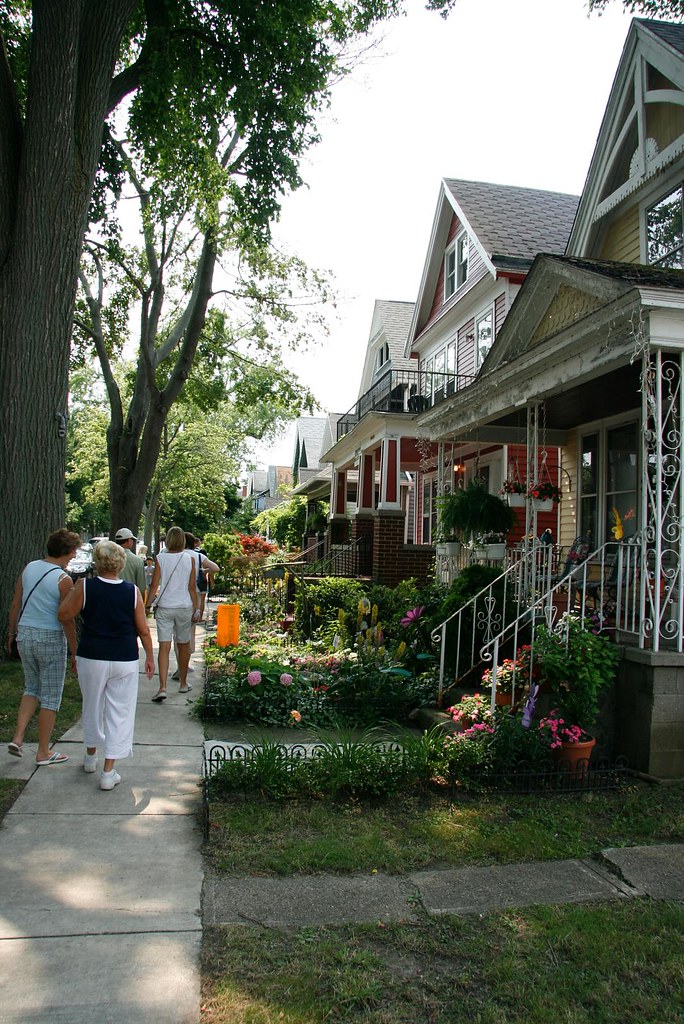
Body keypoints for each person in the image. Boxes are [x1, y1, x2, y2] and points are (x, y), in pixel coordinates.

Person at [58, 540, 155, 790]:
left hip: (91, 655)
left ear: (97, 563)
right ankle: (108, 771)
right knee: (120, 712)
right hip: (124, 656)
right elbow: (143, 629)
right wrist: (150, 657)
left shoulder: (85, 587)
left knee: (92, 705)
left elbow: (64, 614)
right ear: (121, 564)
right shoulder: (132, 591)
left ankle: (90, 756)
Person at [6, 529, 81, 765]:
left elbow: (16, 603)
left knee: (31, 687)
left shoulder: (30, 568)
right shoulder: (63, 579)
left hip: (25, 633)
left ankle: (18, 738)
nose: (74, 556)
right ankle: (43, 752)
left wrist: (11, 633)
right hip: (49, 637)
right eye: (73, 552)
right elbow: (66, 617)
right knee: (50, 696)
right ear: (67, 551)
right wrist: (74, 649)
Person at [145, 525, 199, 701]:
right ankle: (183, 683)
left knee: (164, 646)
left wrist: (147, 604)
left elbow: (154, 585)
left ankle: (162, 687)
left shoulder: (160, 558)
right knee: (183, 644)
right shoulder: (189, 559)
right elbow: (192, 587)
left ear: (168, 540)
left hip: (165, 606)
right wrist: (197, 608)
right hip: (184, 606)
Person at [170, 532, 219, 681]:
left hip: (178, 595)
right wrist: (203, 571)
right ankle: (186, 664)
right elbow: (216, 568)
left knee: (176, 633)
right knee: (189, 631)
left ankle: (180, 665)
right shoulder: (198, 556)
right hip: (195, 596)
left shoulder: (173, 555)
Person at [115, 527, 147, 601]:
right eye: (132, 540)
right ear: (129, 541)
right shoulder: (137, 560)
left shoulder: (107, 558)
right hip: (130, 599)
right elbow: (141, 587)